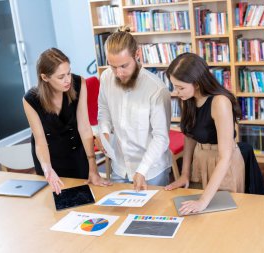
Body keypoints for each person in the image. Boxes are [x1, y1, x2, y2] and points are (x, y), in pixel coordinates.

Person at [164, 52, 245, 215]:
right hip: (199, 159)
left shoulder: (220, 102)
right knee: (196, 217)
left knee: (224, 215)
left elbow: (225, 157)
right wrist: (184, 174)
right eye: (174, 86)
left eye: (180, 87)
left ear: (198, 83)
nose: (176, 92)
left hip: (222, 163)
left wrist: (203, 201)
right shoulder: (188, 97)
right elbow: (189, 136)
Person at [23, 48, 111, 194]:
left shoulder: (78, 83)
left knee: (85, 198)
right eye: (61, 76)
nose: (67, 80)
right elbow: (40, 141)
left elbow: (84, 127)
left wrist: (93, 167)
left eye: (69, 73)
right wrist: (47, 168)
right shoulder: (31, 100)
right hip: (49, 159)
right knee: (54, 205)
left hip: (76, 153)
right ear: (45, 77)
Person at [97, 28, 172, 191]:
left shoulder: (156, 90)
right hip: (120, 166)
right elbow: (103, 108)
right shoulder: (106, 78)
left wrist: (142, 170)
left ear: (137, 54)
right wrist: (103, 131)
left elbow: (161, 138)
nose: (119, 73)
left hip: (151, 170)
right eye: (113, 66)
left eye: (124, 65)